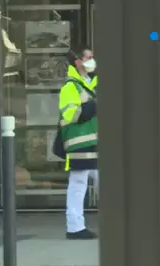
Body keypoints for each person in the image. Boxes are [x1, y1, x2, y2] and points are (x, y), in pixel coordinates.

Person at [57, 47, 98, 240]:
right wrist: (94, 105)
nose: (92, 60)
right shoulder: (70, 87)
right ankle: (74, 227)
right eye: (88, 57)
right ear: (78, 62)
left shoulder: (94, 83)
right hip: (80, 143)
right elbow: (71, 114)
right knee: (78, 183)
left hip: (96, 142)